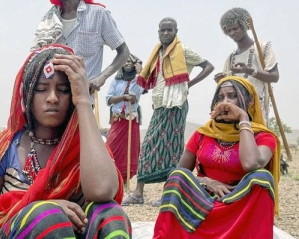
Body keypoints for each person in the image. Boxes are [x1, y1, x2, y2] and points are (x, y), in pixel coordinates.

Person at [0, 45, 130, 238]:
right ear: (27, 96)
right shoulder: (5, 150)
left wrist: (84, 99)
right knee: (47, 218)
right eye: (42, 89)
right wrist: (43, 208)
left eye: (64, 90)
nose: (52, 98)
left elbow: (102, 191)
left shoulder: (87, 147)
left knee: (111, 215)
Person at [153, 76, 280, 238]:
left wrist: (243, 119)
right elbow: (178, 173)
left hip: (238, 206)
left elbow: (251, 164)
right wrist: (208, 181)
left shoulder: (262, 136)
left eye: (232, 96)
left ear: (249, 103)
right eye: (220, 97)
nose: (225, 102)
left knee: (262, 177)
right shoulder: (203, 134)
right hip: (201, 202)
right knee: (178, 176)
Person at [123, 17, 214, 206]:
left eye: (169, 30)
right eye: (162, 30)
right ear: (158, 32)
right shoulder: (157, 54)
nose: (166, 33)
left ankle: (168, 193)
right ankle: (139, 193)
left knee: (171, 148)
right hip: (160, 106)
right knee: (148, 145)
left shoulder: (183, 51)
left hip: (176, 105)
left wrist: (190, 83)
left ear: (176, 31)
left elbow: (208, 66)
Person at [32, 0, 130, 94]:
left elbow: (124, 52)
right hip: (53, 99)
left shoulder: (98, 15)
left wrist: (101, 77)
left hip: (83, 99)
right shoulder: (48, 21)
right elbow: (36, 59)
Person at [213, 8, 279, 120]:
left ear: (245, 25)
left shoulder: (262, 48)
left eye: (235, 28)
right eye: (228, 31)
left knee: (257, 136)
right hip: (236, 108)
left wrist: (249, 71)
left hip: (256, 105)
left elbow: (274, 77)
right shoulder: (231, 58)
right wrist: (221, 81)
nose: (232, 33)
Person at [105, 54, 144, 183]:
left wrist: (140, 70)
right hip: (118, 120)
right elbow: (108, 99)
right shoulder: (116, 81)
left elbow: (145, 85)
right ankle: (109, 175)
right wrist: (124, 97)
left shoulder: (138, 81)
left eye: (130, 61)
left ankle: (124, 181)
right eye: (125, 61)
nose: (127, 64)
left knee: (129, 151)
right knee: (111, 147)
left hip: (131, 120)